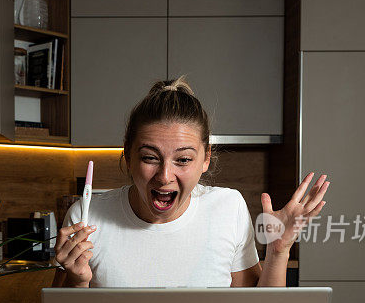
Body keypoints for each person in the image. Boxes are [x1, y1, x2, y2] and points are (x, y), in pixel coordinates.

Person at [52, 76, 329, 288]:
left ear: (206, 159)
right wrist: (78, 282)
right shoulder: (85, 218)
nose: (164, 176)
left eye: (182, 160)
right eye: (150, 157)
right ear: (128, 155)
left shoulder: (228, 208)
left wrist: (279, 251)